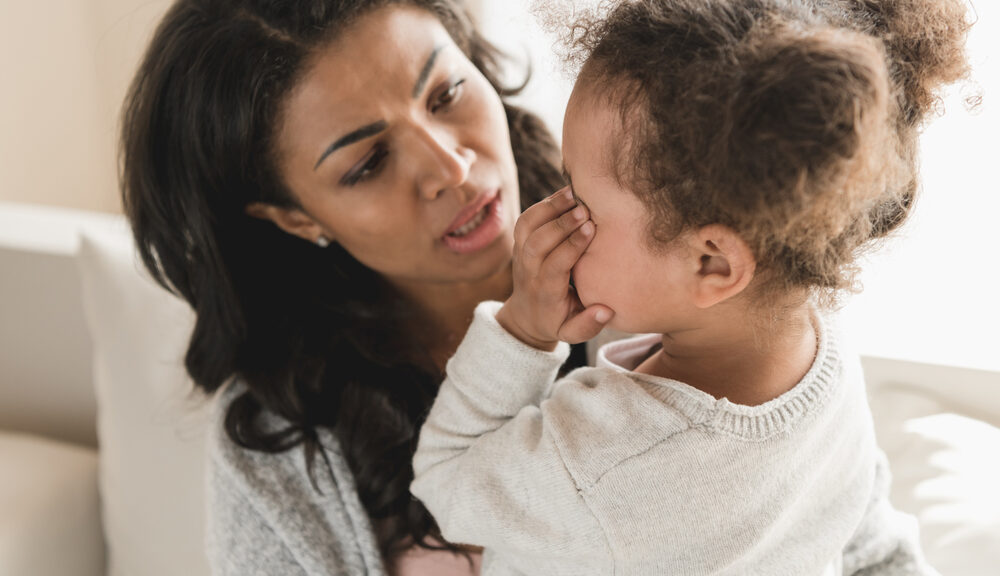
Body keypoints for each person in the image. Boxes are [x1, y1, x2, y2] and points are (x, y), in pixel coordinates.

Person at [410, 0, 970, 574]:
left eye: (576, 196)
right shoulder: (824, 351)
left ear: (712, 265)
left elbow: (446, 480)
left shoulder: (597, 464)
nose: (549, 213)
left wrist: (522, 329)